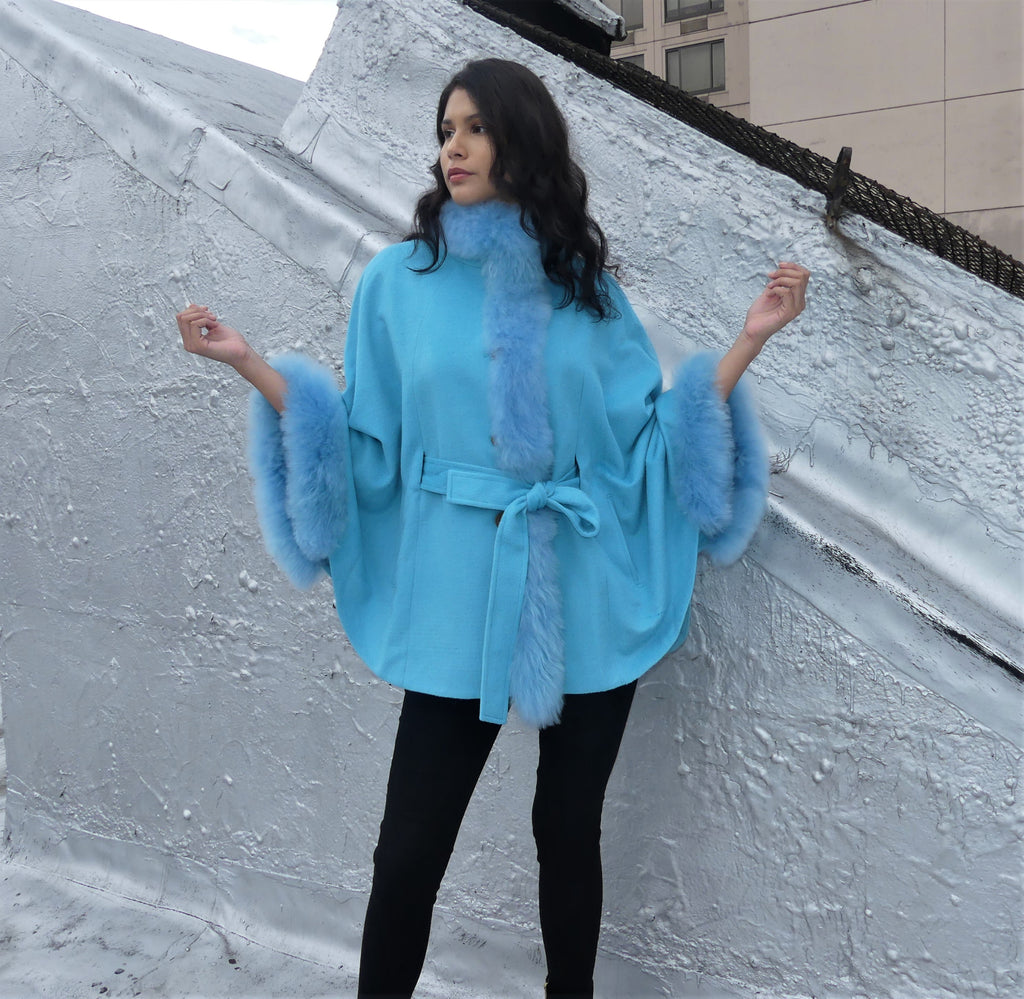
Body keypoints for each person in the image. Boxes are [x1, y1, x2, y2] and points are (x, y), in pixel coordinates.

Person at [176, 59, 809, 999]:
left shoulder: (587, 291)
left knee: (568, 829)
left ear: (523, 141)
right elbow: (366, 444)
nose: (455, 148)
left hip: (585, 582)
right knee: (409, 845)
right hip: (456, 584)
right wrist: (250, 364)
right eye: (446, 130)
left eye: (475, 127)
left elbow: (644, 444)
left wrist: (751, 337)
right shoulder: (399, 281)